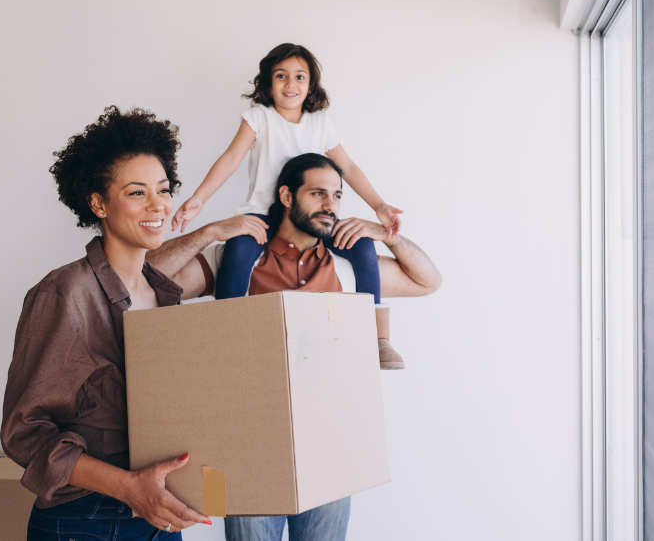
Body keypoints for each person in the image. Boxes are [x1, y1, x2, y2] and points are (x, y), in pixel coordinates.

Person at [1, 106, 268, 540]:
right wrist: (129, 488)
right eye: (137, 193)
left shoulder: (162, 295)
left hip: (157, 514)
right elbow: (24, 434)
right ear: (98, 204)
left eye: (163, 190)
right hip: (85, 519)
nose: (158, 205)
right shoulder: (65, 293)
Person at [146, 153, 440, 541]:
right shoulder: (240, 259)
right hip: (251, 445)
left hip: (332, 444)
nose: (330, 205)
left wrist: (389, 236)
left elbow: (427, 281)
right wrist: (208, 233)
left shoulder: (346, 266)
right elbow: (147, 278)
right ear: (286, 196)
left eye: (336, 196)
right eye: (318, 193)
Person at [168, 43, 408, 368]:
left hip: (312, 217)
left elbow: (348, 168)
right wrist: (198, 199)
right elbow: (231, 159)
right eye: (281, 76)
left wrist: (379, 206)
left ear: (311, 85)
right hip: (263, 216)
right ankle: (228, 333)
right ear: (268, 83)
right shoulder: (259, 118)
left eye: (299, 76)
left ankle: (378, 339)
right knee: (237, 252)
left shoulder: (320, 122)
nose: (290, 84)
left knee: (363, 245)